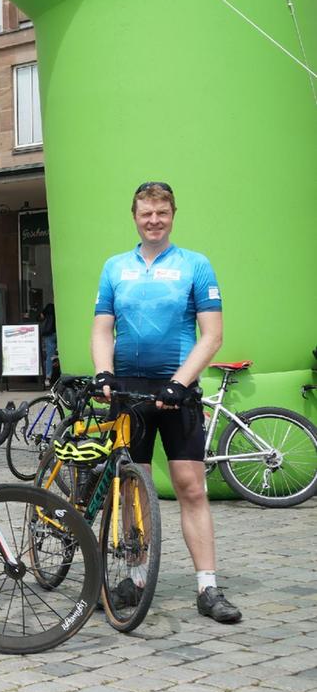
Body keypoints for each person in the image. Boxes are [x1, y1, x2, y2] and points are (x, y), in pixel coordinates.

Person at [92, 181, 239, 623]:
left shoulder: (195, 265)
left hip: (178, 388)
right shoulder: (115, 267)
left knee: (191, 486)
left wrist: (180, 382)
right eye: (145, 213)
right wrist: (103, 372)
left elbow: (212, 335)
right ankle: (136, 578)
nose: (153, 220)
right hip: (128, 389)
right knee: (132, 489)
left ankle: (207, 587)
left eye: (161, 212)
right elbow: (103, 327)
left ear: (173, 214)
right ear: (134, 217)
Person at [39, 302, 58, 387]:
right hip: (59, 333)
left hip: (49, 335)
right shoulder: (61, 306)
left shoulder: (48, 307)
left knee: (49, 357)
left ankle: (48, 378)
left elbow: (40, 317)